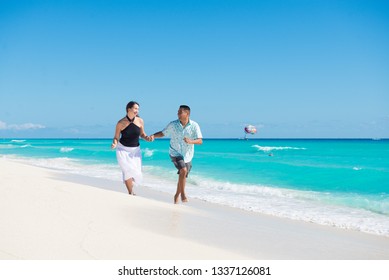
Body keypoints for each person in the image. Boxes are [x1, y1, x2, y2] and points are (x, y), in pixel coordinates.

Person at [150, 105, 203, 204]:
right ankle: (183, 194)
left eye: (180, 112)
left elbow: (200, 141)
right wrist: (153, 136)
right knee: (183, 170)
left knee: (183, 175)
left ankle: (176, 195)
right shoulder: (173, 124)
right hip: (175, 152)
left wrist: (191, 141)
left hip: (187, 155)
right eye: (178, 111)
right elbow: (163, 133)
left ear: (187, 114)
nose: (178, 113)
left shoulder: (194, 125)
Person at [111, 101, 151, 195]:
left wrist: (147, 138)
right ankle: (131, 192)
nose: (137, 110)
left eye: (138, 109)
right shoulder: (120, 123)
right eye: (135, 108)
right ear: (129, 109)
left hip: (135, 151)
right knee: (127, 170)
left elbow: (142, 134)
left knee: (136, 171)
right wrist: (114, 143)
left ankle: (131, 188)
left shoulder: (140, 121)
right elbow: (116, 137)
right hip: (123, 150)